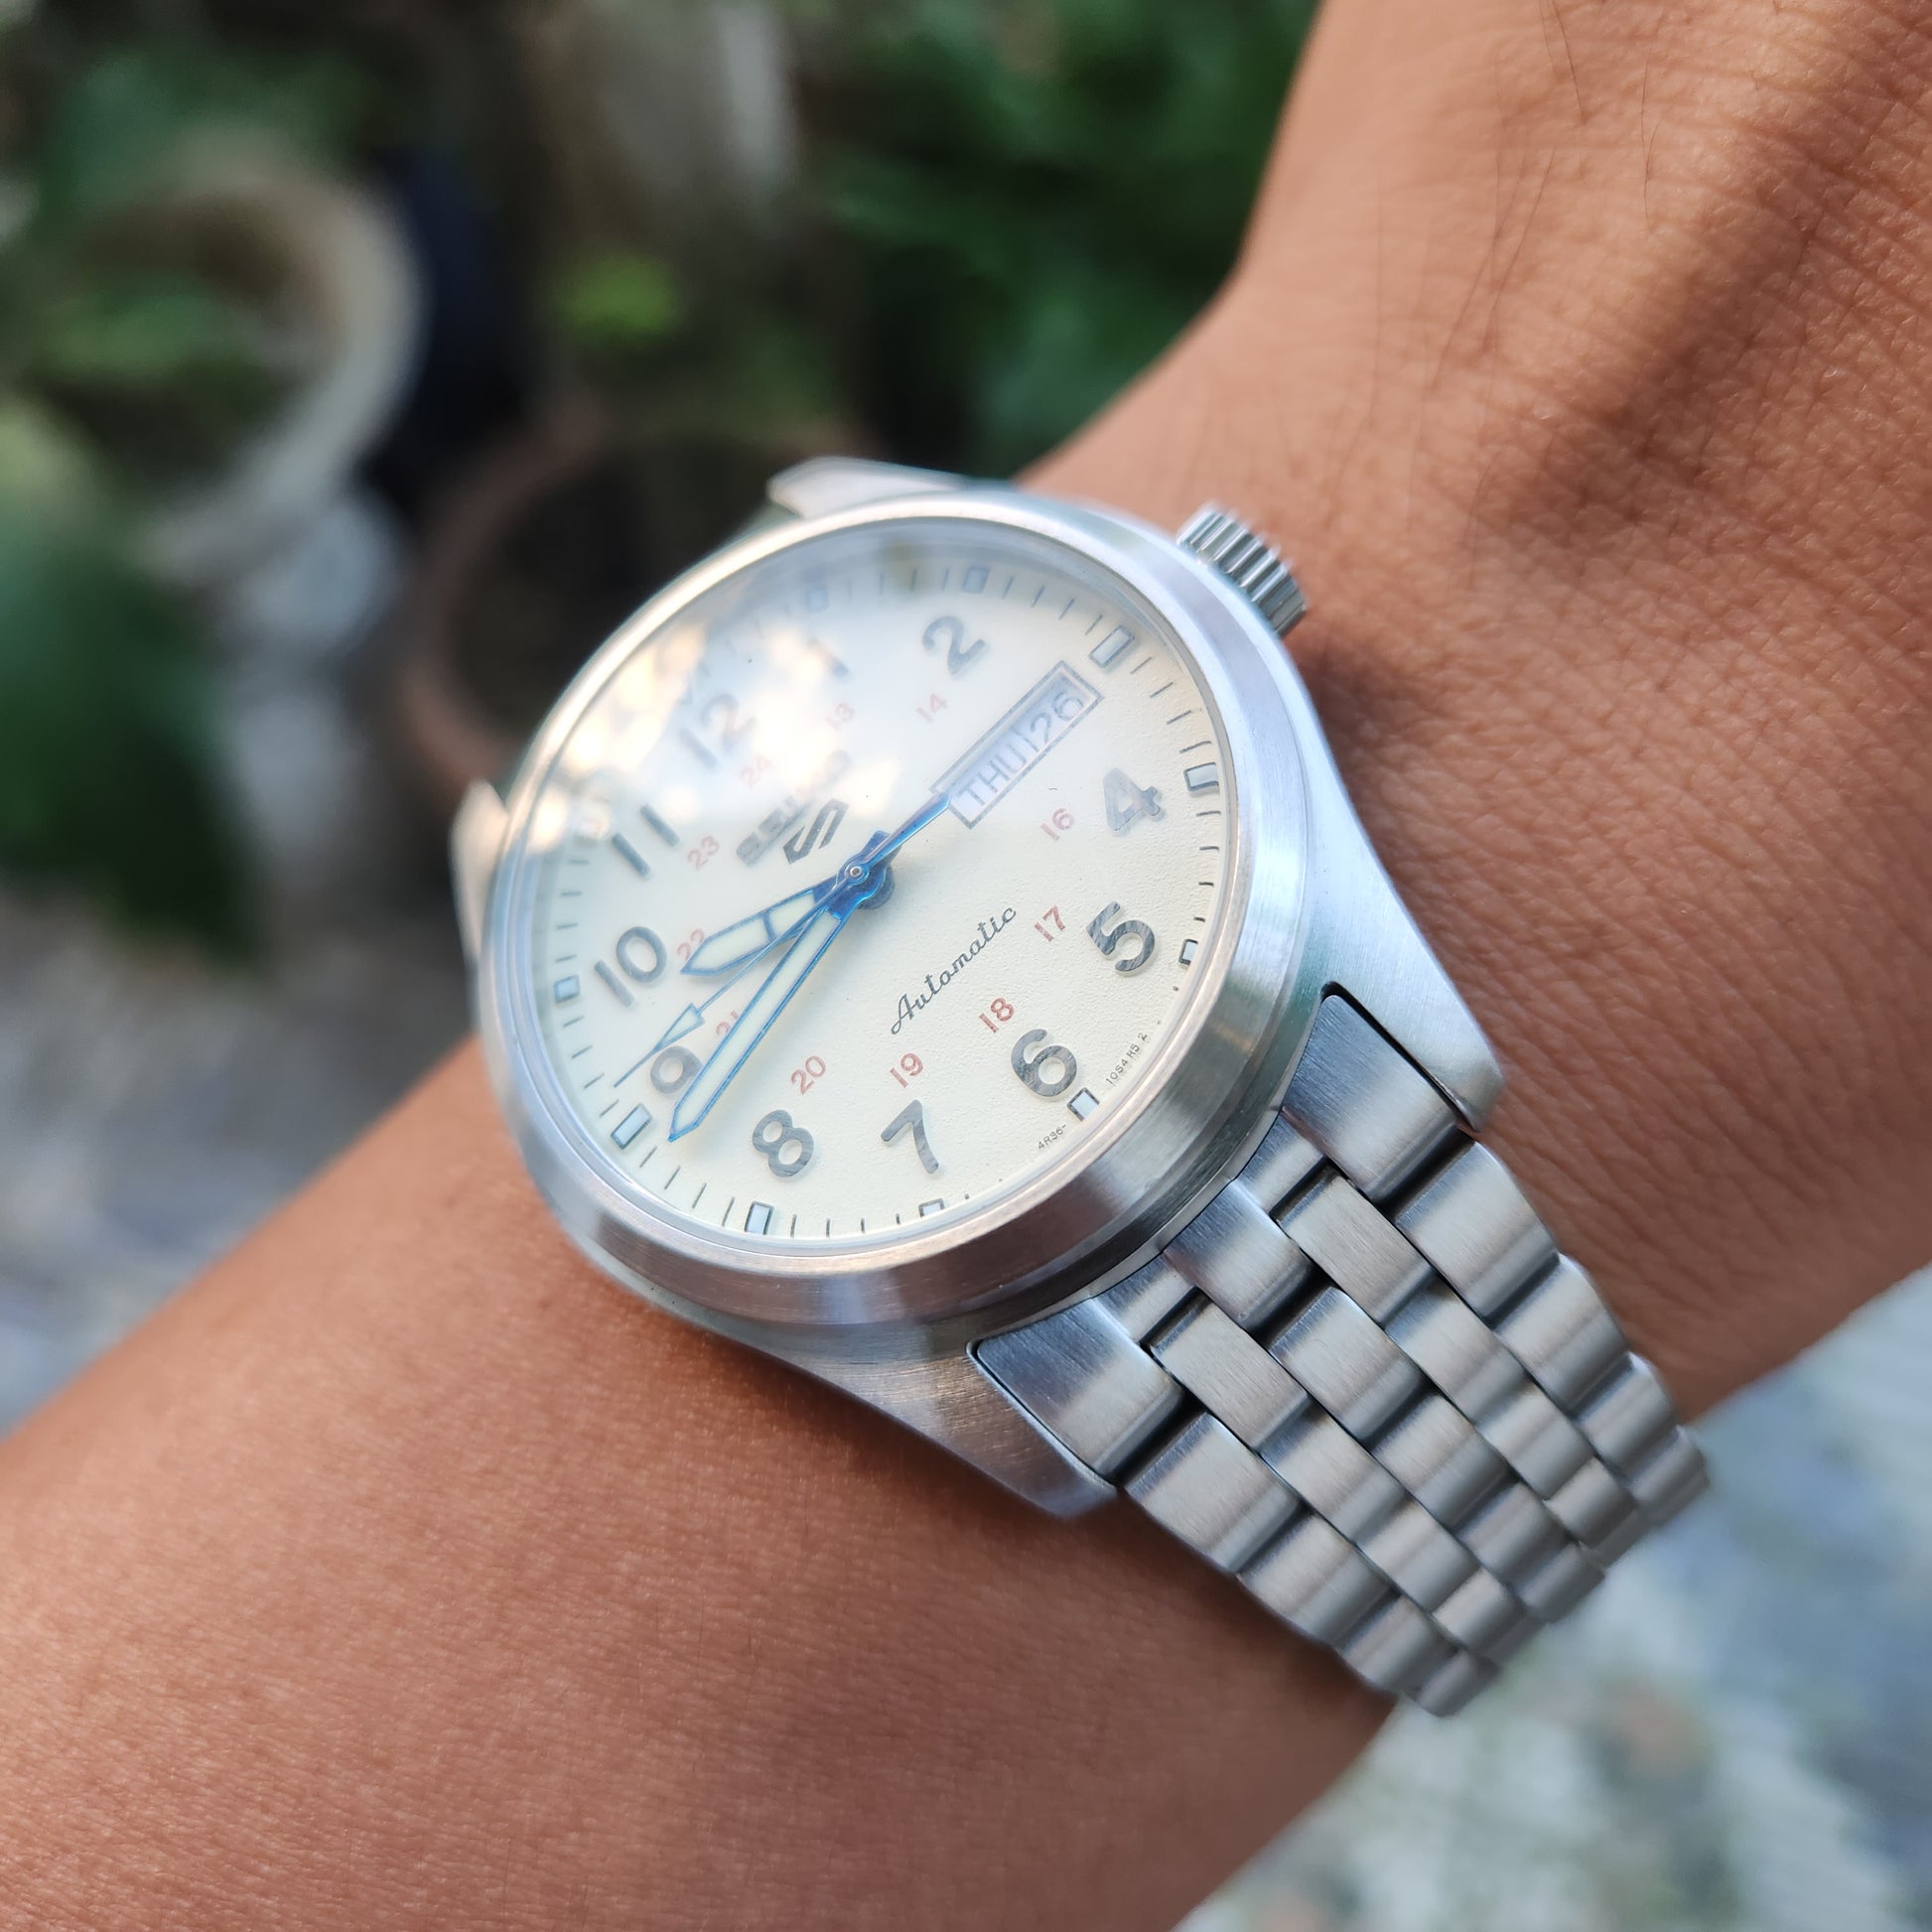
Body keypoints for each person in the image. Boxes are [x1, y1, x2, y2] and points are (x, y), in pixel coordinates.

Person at [3, 0, 1928, 1924]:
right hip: (1022, 1315)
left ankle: (1523, 1548)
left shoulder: (936, 591)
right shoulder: (658, 1099)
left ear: (1213, 595)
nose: (843, 871)